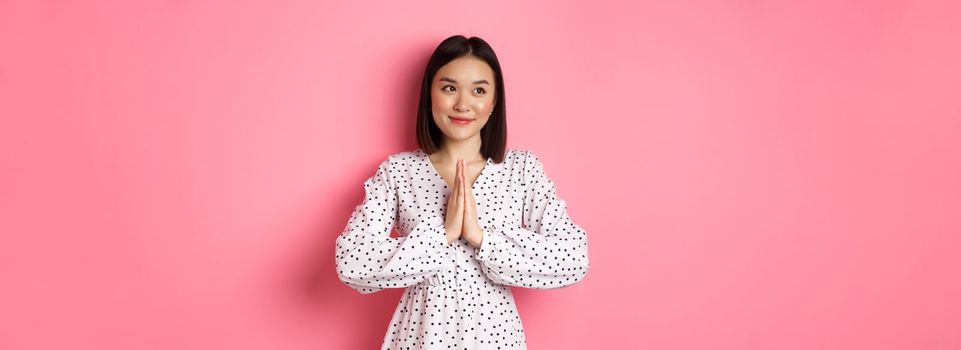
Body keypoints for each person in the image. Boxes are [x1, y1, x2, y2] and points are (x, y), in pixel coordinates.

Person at [334, 34, 590, 349]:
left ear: (494, 101)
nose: (463, 104)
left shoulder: (522, 170)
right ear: (430, 94)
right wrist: (442, 234)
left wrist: (482, 238)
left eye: (479, 90)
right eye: (449, 88)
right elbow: (351, 264)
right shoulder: (398, 172)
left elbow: (574, 258)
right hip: (421, 339)